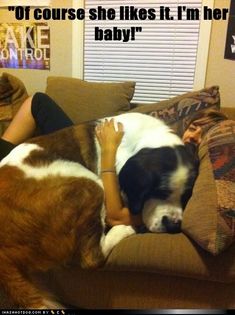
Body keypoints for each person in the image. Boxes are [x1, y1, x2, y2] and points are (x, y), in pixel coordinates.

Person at [0, 95, 228, 228]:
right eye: (194, 128)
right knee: (37, 100)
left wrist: (108, 151)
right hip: (94, 136)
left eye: (201, 137)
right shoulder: (162, 140)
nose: (193, 137)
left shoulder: (191, 168)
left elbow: (115, 215)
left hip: (99, 150)